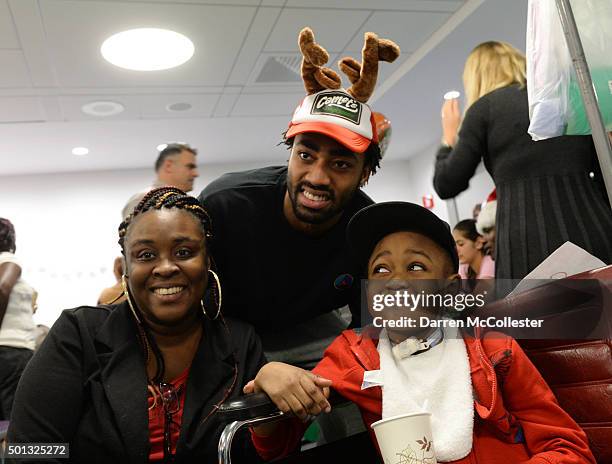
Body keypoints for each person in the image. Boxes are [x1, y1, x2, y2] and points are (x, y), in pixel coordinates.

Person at [248, 202, 596, 463]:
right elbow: (277, 445)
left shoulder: (493, 349)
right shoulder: (352, 354)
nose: (395, 280)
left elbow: (567, 447)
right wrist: (270, 377)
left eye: (416, 266)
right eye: (380, 269)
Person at [8, 188, 265, 463]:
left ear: (207, 261)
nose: (165, 267)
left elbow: (257, 451)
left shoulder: (238, 342)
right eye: (145, 255)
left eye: (183, 251)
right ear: (125, 269)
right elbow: (28, 448)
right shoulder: (79, 333)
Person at [198, 27, 399, 369]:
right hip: (232, 343)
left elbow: (368, 326)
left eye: (340, 164)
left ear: (365, 174)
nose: (317, 177)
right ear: (289, 154)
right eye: (306, 155)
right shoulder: (224, 206)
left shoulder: (370, 230)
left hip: (320, 346)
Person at [433, 41, 612, 280]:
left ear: (475, 78)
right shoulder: (567, 97)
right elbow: (604, 171)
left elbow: (447, 183)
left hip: (527, 241)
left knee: (541, 316)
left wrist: (447, 138)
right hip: (593, 227)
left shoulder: (483, 110)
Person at [0, 218, 37, 422]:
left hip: (7, 352)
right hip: (13, 350)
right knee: (16, 421)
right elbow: (2, 288)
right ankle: (23, 455)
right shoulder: (7, 260)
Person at [122, 143, 199, 219]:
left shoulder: (187, 202)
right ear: (168, 166)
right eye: (190, 167)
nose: (196, 174)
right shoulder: (144, 200)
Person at [453, 219, 494, 283]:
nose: (456, 250)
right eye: (455, 246)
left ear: (478, 243)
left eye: (461, 244)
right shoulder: (465, 268)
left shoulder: (490, 262)